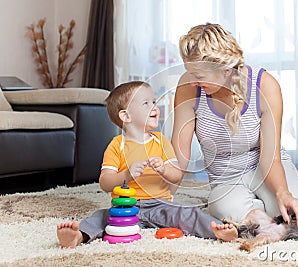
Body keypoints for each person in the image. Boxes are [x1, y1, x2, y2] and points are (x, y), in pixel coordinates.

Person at [56, 81, 235, 248]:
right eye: (146, 103)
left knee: (188, 212)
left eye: (154, 102)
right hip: (125, 208)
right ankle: (78, 236)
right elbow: (105, 182)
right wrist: (126, 175)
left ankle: (218, 231)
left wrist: (164, 170)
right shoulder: (116, 145)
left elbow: (176, 175)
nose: (154, 107)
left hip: (160, 205)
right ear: (126, 116)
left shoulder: (161, 142)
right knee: (99, 217)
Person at [172, 23, 298, 235]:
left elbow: (270, 158)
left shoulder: (265, 86)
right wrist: (159, 196)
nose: (193, 81)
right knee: (236, 215)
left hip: (265, 168)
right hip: (226, 179)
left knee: (293, 216)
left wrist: (283, 193)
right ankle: (256, 215)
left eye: (199, 75)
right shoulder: (188, 88)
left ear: (226, 69)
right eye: (189, 72)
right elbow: (179, 155)